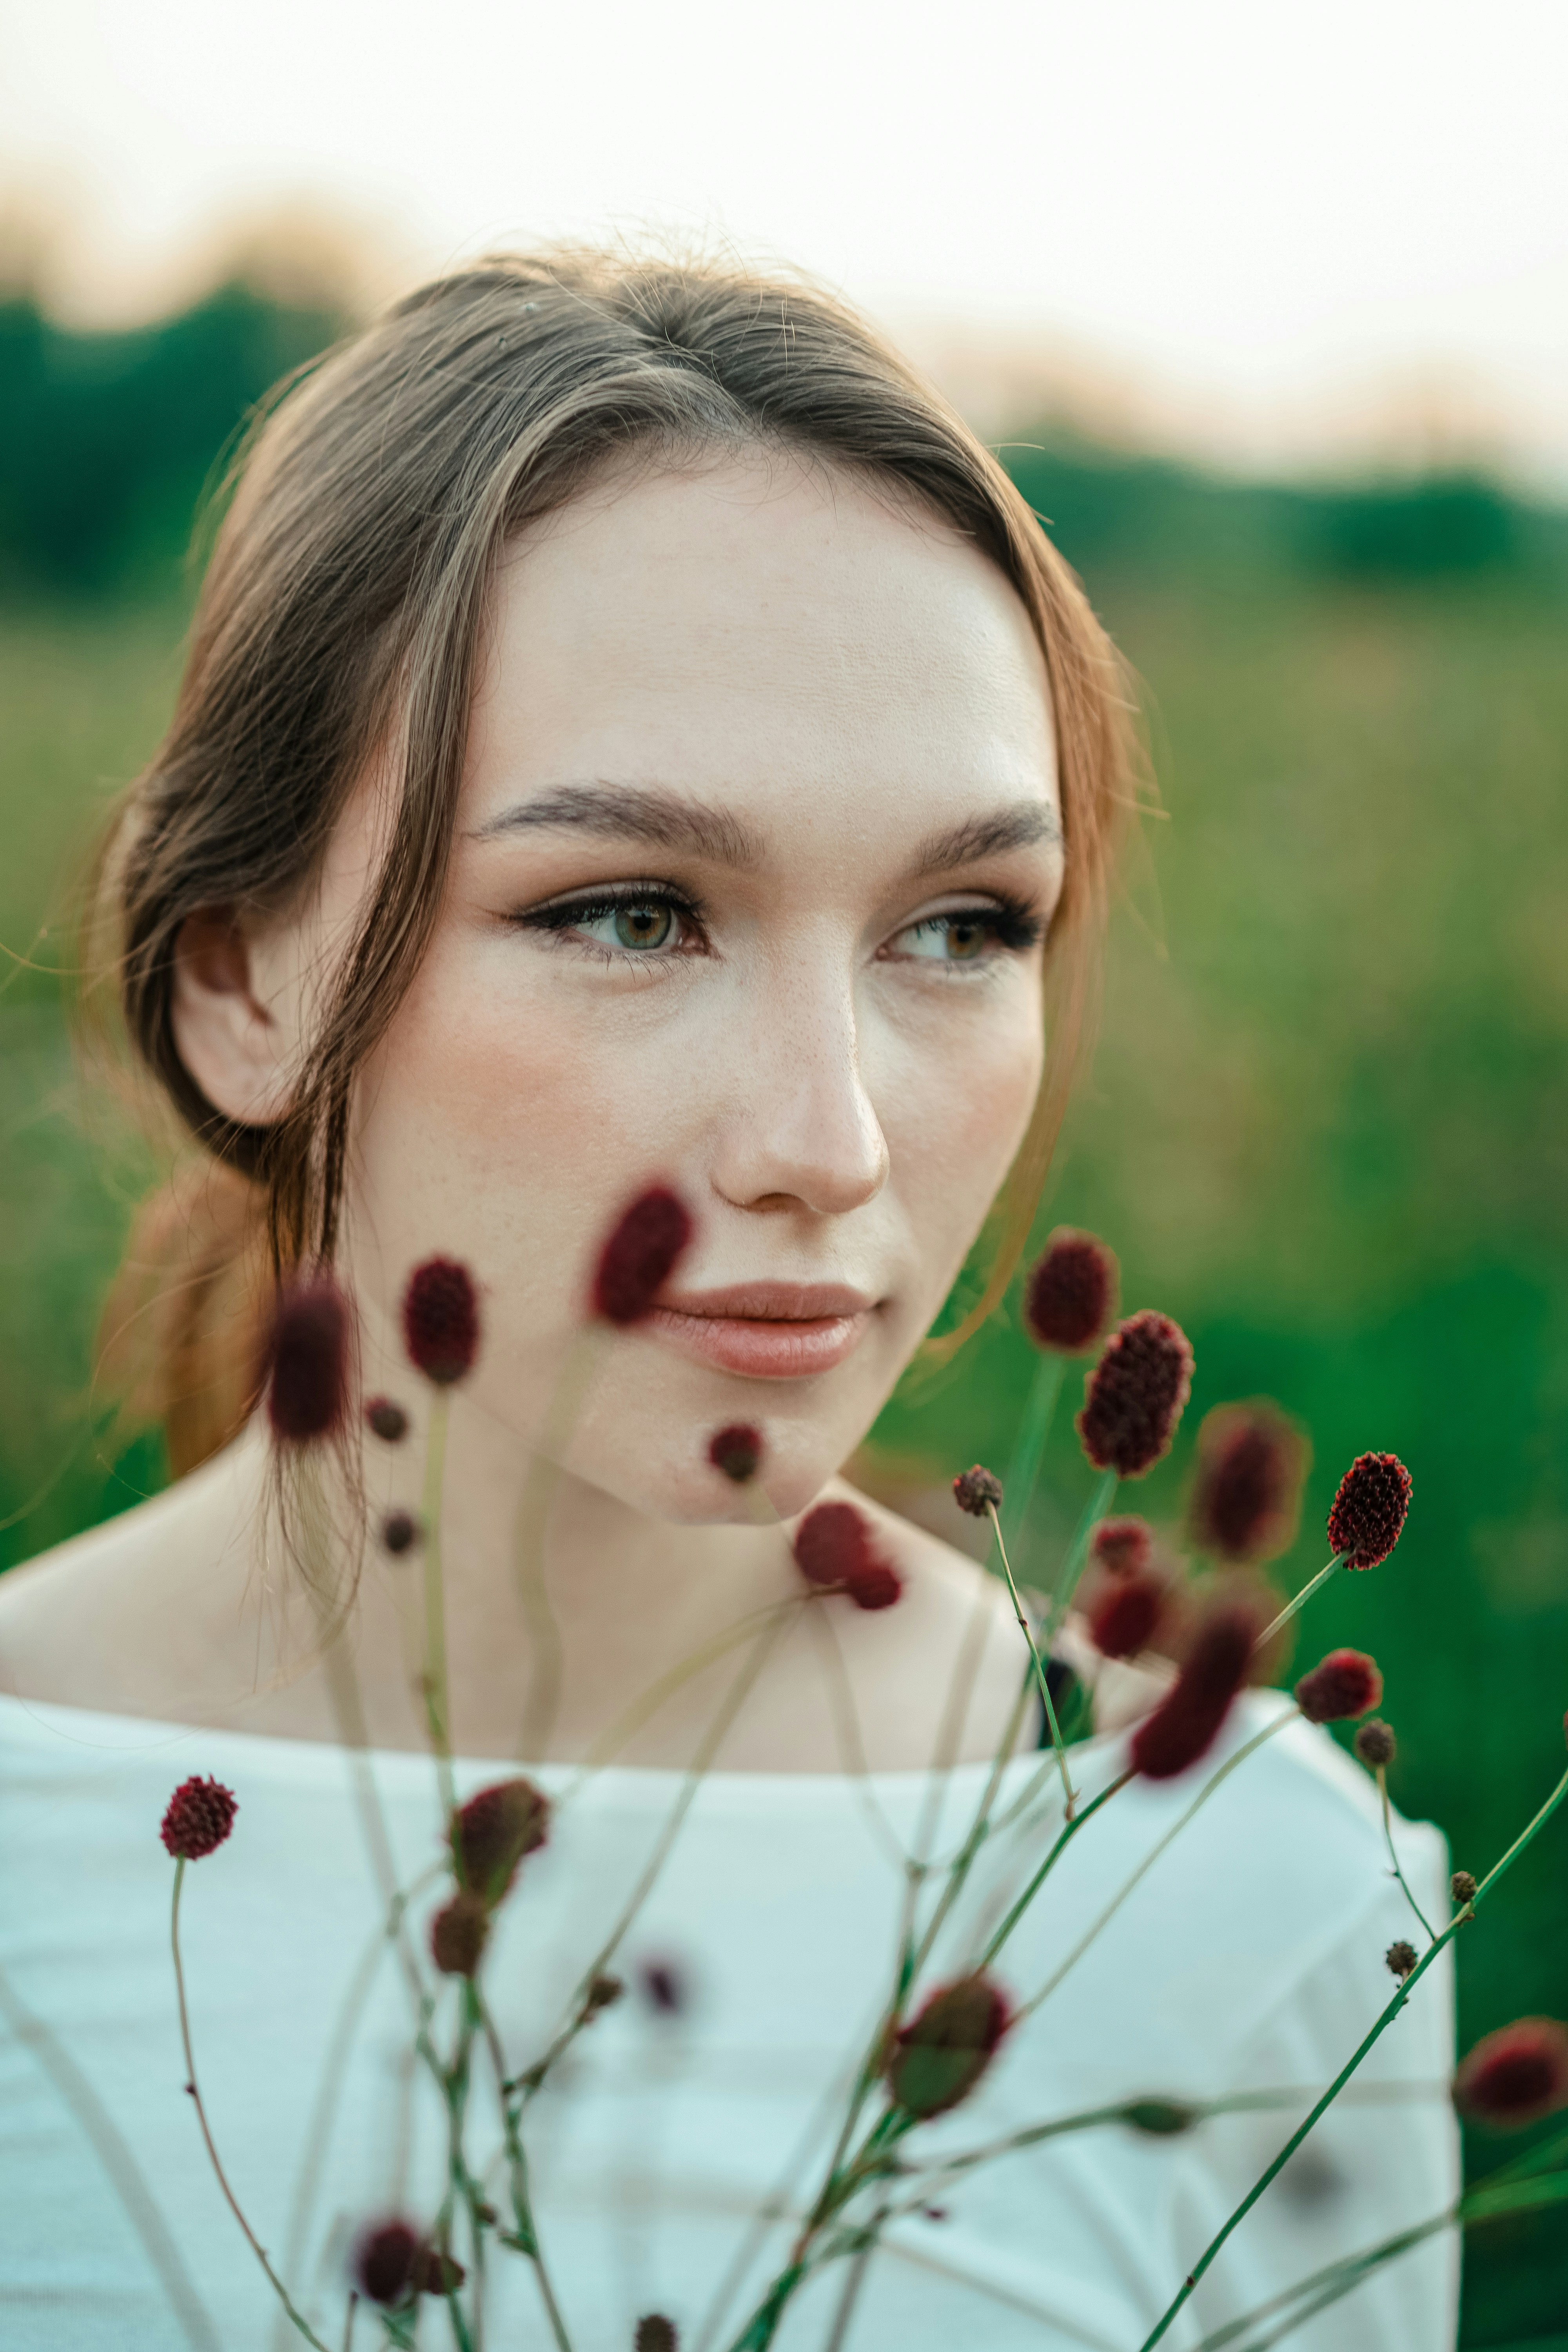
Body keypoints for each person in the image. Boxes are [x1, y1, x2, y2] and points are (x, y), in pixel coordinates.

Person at [0, 249, 1456, 2350]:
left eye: (964, 926)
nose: (832, 1139)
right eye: (628, 912)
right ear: (240, 983)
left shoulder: (1251, 1904)